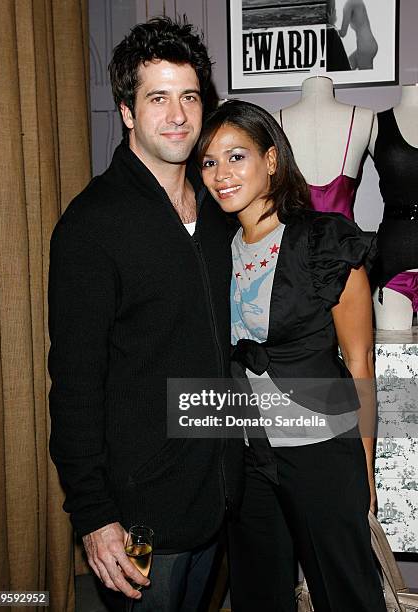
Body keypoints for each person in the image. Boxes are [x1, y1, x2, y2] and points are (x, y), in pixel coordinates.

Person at [48, 17, 242, 612]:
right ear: (128, 112)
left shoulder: (219, 209)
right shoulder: (91, 226)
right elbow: (75, 385)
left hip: (217, 500)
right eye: (157, 98)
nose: (178, 114)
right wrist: (94, 516)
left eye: (189, 96)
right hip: (139, 519)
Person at [196, 100, 386, 611]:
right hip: (247, 452)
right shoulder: (216, 249)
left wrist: (363, 468)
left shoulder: (324, 242)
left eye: (236, 157)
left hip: (320, 449)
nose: (220, 175)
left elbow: (359, 362)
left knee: (345, 594)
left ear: (272, 160)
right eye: (209, 162)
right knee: (258, 596)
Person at [339, 0, 378, 70]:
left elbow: (342, 33)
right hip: (368, 45)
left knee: (366, 78)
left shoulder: (348, 5)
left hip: (364, 48)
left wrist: (330, 28)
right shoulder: (359, 2)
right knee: (346, 67)